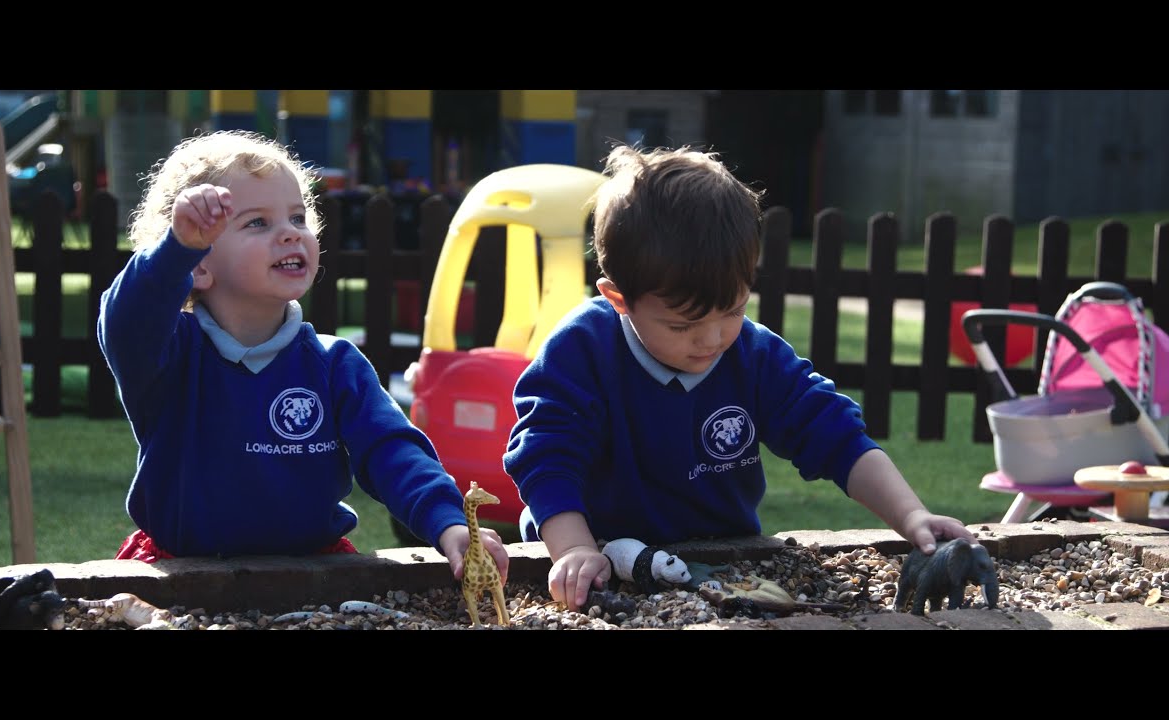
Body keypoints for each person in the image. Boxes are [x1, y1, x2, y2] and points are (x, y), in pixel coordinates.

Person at [503, 145, 975, 611]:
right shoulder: (580, 350)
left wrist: (911, 514)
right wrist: (573, 550)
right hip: (599, 562)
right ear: (618, 298)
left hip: (722, 563)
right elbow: (547, 456)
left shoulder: (754, 354)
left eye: (733, 310)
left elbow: (834, 434)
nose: (711, 339)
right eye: (682, 325)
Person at [98, 130, 508, 586]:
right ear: (199, 265)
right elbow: (125, 323)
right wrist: (175, 248)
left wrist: (449, 522)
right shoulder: (170, 355)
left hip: (316, 568)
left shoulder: (336, 365)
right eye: (258, 222)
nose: (291, 233)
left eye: (297, 217)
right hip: (178, 570)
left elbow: (391, 451)